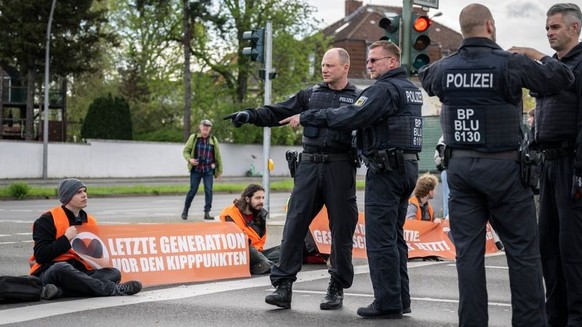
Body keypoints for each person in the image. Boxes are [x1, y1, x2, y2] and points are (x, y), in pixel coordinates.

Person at [419, 3, 575, 326]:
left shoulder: (443, 68)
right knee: (523, 254)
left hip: (460, 172)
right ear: (490, 26)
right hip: (505, 172)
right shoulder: (511, 63)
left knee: (469, 257)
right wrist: (536, 53)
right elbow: (562, 77)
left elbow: (425, 79)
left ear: (463, 30)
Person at [284, 40, 423, 319]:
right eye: (369, 60)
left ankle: (387, 302)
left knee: (381, 239)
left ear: (392, 62)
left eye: (375, 60)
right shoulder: (411, 89)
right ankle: (400, 299)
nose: (369, 65)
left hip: (386, 170)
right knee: (395, 238)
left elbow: (351, 115)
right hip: (407, 167)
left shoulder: (384, 89)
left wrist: (309, 116)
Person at [224, 48, 360, 311]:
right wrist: (251, 115)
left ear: (345, 67)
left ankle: (336, 288)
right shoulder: (310, 94)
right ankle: (283, 286)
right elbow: (279, 112)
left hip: (340, 166)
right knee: (294, 226)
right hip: (309, 165)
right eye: (322, 64)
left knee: (342, 230)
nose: (324, 69)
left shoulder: (357, 98)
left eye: (330, 65)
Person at [511, 3, 582, 325]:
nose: (550, 33)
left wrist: (580, 173)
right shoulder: (551, 66)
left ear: (574, 29)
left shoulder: (579, 65)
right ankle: (556, 316)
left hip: (573, 165)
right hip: (550, 166)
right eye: (547, 28)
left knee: (573, 251)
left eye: (555, 27)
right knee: (548, 250)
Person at [29, 178, 142, 298]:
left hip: (80, 271)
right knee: (61, 268)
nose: (84, 195)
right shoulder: (47, 220)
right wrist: (66, 239)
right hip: (50, 270)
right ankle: (112, 289)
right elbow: (41, 256)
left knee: (114, 273)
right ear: (67, 197)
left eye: (84, 191)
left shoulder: (90, 221)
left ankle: (60, 291)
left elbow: (94, 256)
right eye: (78, 192)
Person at [219, 184, 279, 275]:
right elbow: (236, 243)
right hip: (241, 253)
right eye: (258, 198)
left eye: (263, 198)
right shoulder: (231, 213)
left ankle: (262, 264)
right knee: (249, 248)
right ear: (247, 199)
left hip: (258, 253)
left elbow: (260, 241)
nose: (261, 201)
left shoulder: (261, 214)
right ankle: (268, 265)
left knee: (285, 248)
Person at [181, 119, 223, 220]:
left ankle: (207, 213)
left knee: (209, 191)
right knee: (193, 190)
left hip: (208, 170)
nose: (205, 128)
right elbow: (185, 151)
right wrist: (189, 159)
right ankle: (185, 210)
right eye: (204, 126)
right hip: (196, 170)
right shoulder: (194, 137)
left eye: (208, 126)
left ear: (210, 129)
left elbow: (218, 156)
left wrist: (219, 171)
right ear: (200, 127)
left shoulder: (213, 139)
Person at [434, 136, 449, 219]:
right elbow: (437, 158)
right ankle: (446, 221)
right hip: (447, 170)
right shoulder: (444, 136)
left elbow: (437, 159)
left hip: (450, 170)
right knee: (447, 199)